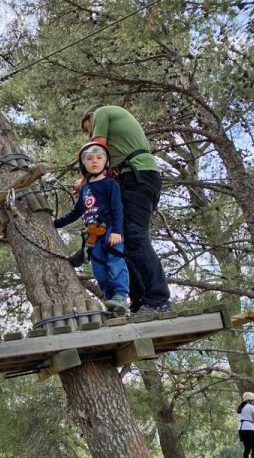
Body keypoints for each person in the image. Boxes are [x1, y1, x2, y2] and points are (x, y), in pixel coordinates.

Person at [80, 104, 171, 314]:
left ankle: (158, 299)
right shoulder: (121, 147)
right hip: (137, 177)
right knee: (125, 240)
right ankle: (140, 302)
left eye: (89, 129)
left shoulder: (103, 112)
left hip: (137, 176)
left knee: (135, 237)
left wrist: (85, 179)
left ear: (91, 117)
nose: (90, 134)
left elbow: (99, 146)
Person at [55, 142, 130, 315]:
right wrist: (56, 223)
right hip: (92, 235)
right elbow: (76, 212)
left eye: (98, 158)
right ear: (84, 164)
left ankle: (120, 296)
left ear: (105, 162)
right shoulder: (85, 189)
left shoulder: (110, 184)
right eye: (89, 159)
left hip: (110, 230)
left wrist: (117, 231)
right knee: (99, 269)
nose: (94, 161)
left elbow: (118, 208)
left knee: (115, 261)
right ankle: (110, 300)